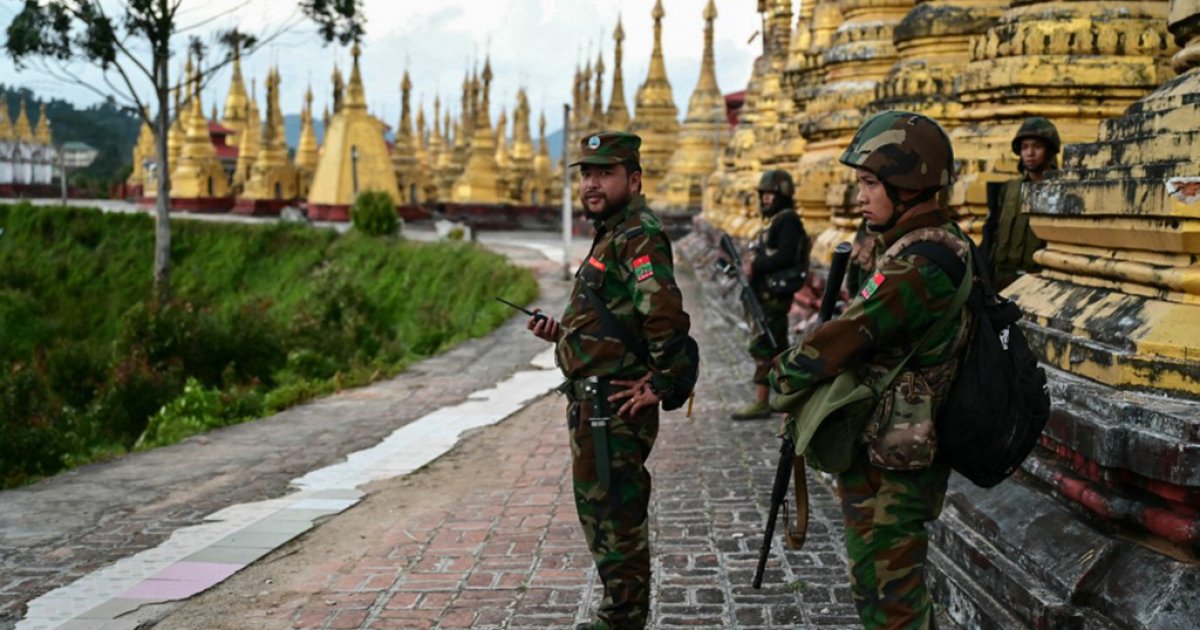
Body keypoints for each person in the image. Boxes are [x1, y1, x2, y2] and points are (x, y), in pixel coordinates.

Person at [769, 111, 973, 630]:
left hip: (894, 468)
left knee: (890, 600)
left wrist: (783, 373)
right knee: (880, 588)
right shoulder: (934, 243)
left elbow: (836, 341)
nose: (859, 197)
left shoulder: (916, 268)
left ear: (906, 185)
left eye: (869, 183)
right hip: (891, 449)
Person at [526, 131, 694, 630]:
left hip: (612, 409)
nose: (592, 184)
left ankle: (623, 619)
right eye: (586, 175)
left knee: (614, 517)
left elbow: (664, 315)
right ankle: (622, 612)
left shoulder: (637, 235)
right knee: (602, 515)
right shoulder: (614, 232)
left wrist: (661, 383)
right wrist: (563, 335)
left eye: (605, 173)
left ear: (634, 179)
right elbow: (620, 315)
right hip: (594, 401)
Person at [731, 169, 810, 421]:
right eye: (763, 195)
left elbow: (787, 256)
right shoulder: (776, 220)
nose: (765, 199)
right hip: (765, 294)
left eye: (770, 195)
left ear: (782, 195)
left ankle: (763, 401)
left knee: (764, 346)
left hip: (773, 295)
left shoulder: (787, 220)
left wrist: (756, 264)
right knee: (776, 347)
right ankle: (789, 398)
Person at [987, 116, 1059, 290]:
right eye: (1025, 147)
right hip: (1001, 278)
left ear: (1049, 151)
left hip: (1039, 281)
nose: (1029, 153)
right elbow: (993, 231)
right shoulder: (1009, 189)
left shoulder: (1059, 190)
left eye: (1037, 147)